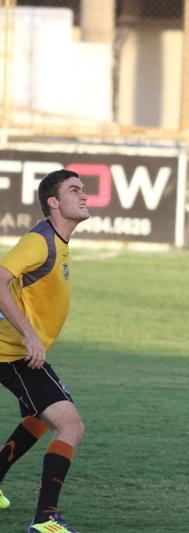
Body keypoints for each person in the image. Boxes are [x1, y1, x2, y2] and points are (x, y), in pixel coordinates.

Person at [0, 169, 89, 533]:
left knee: (38, 419)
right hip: (13, 354)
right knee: (70, 426)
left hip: (20, 351)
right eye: (74, 190)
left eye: (84, 189)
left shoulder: (58, 241)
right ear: (53, 203)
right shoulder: (40, 241)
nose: (84, 196)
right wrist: (30, 335)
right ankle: (46, 519)